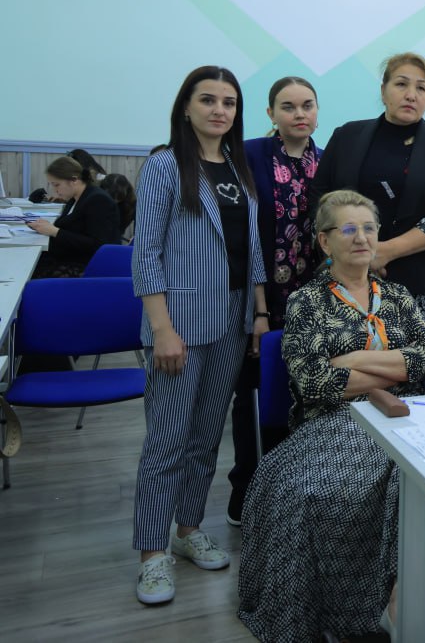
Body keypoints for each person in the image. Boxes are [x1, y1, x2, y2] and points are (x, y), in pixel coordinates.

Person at [238, 190, 425, 642]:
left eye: (368, 228)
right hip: (334, 422)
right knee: (324, 492)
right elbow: (313, 383)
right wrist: (395, 366)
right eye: (349, 229)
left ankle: (400, 599)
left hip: (407, 419)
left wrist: (350, 361)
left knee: (421, 479)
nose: (362, 238)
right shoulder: (306, 302)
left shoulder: (398, 295)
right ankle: (353, 612)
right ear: (325, 241)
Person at [131, 66, 269, 606]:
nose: (219, 110)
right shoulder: (165, 165)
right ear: (185, 107)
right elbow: (146, 253)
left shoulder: (237, 167)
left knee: (207, 438)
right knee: (166, 441)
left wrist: (259, 312)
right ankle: (151, 554)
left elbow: (250, 247)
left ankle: (187, 530)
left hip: (233, 321)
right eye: (207, 99)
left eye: (229, 102)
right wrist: (161, 329)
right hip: (180, 325)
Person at [224, 76, 323, 526]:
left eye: (307, 105)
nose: (299, 114)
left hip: (314, 301)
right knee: (252, 394)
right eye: (288, 107)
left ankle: (293, 490)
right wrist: (259, 310)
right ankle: (245, 488)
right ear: (271, 113)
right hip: (261, 296)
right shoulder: (249, 156)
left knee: (305, 392)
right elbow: (242, 237)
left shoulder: (329, 162)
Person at [312, 52, 425, 324]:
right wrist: (355, 252)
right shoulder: (347, 136)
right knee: (346, 350)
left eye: (421, 88)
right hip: (347, 276)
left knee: (415, 351)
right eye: (401, 84)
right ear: (383, 91)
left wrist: (384, 251)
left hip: (422, 285)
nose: (411, 95)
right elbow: (320, 197)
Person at [28, 156, 121, 278]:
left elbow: (97, 245)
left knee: (27, 272)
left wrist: (55, 231)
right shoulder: (75, 198)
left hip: (87, 265)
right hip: (69, 258)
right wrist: (48, 228)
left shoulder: (98, 200)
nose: (55, 191)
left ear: (74, 180)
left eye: (57, 185)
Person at [100, 173, 137, 239]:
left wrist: (135, 237)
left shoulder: (132, 203)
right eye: (112, 198)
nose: (115, 201)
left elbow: (139, 226)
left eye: (119, 198)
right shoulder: (96, 198)